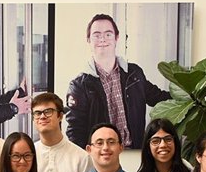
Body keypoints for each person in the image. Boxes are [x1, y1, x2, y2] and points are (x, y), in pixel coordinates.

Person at [66, 14, 170, 149]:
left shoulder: (135, 73)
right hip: (103, 157)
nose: (102, 39)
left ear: (116, 38)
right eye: (96, 35)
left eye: (108, 34)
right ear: (88, 40)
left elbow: (159, 98)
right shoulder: (79, 86)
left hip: (135, 153)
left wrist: (188, 98)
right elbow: (75, 133)